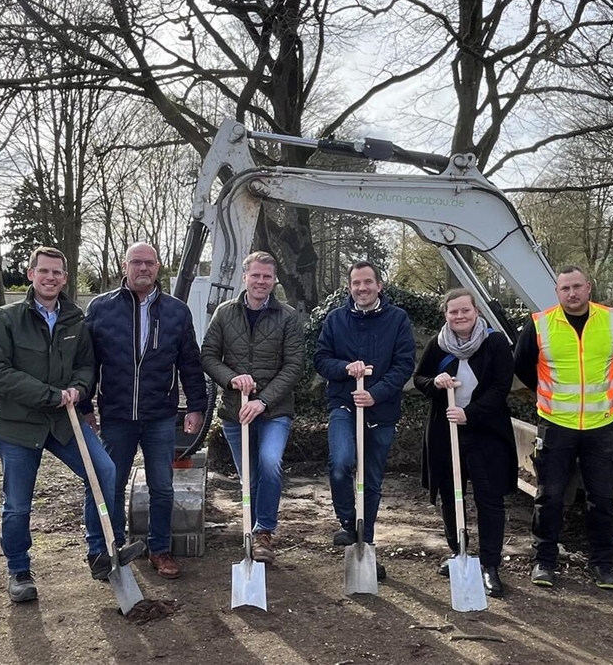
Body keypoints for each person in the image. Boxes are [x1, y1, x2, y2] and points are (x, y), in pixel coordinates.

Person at [0, 246, 140, 604]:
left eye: (57, 272)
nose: (50, 278)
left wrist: (79, 388)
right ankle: (19, 571)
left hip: (63, 422)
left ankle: (101, 553)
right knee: (18, 504)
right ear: (30, 274)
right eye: (44, 271)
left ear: (66, 278)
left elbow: (87, 365)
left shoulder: (74, 320)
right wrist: (49, 394)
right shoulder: (6, 319)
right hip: (18, 425)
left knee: (103, 471)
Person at [83, 242, 208, 580]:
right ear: (124, 266)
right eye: (136, 262)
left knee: (162, 487)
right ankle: (113, 548)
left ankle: (159, 549)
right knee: (112, 483)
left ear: (158, 268)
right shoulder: (100, 309)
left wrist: (196, 406)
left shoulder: (176, 311)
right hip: (117, 414)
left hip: (160, 416)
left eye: (149, 263)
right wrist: (85, 406)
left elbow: (189, 362)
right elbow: (86, 363)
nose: (143, 268)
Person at [514, 266, 613, 590]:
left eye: (577, 287)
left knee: (602, 498)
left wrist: (605, 390)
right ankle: (544, 561)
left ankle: (602, 564)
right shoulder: (540, 324)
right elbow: (523, 366)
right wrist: (549, 394)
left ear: (589, 288)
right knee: (550, 496)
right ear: (557, 292)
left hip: (601, 426)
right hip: (556, 425)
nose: (572, 293)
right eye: (565, 288)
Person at [414, 288, 518, 598]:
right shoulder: (438, 344)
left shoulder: (495, 342)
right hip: (445, 433)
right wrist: (436, 382)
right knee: (450, 495)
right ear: (446, 315)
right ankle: (459, 553)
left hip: (486, 431)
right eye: (453, 312)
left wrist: (469, 414)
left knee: (489, 498)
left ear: (476, 312)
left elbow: (501, 387)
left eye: (465, 311)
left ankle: (490, 565)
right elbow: (419, 379)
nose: (459, 316)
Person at [201, 251, 304, 564]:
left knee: (270, 462)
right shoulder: (224, 313)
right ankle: (254, 528)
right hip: (235, 412)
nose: (261, 282)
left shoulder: (287, 317)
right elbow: (207, 355)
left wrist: (262, 401)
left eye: (267, 277)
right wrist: (233, 380)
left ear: (274, 280)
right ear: (244, 277)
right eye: (256, 275)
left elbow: (294, 365)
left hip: (274, 411)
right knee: (250, 476)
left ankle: (263, 532)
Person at [313, 261, 414, 580]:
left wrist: (376, 394)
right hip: (344, 404)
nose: (362, 288)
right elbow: (320, 359)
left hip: (381, 410)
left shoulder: (397, 319)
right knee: (341, 464)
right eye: (356, 283)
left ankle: (365, 544)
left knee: (371, 480)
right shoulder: (335, 319)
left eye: (368, 282)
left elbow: (404, 364)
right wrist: (345, 369)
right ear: (350, 288)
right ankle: (348, 523)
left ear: (379, 285)